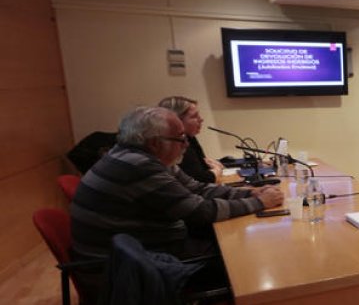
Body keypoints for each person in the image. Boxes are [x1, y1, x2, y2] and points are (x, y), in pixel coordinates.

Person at [71, 106, 282, 261]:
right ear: (155, 142)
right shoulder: (138, 166)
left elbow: (196, 188)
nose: (186, 144)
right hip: (123, 267)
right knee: (241, 258)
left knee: (235, 242)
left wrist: (251, 193)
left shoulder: (145, 156)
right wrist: (260, 203)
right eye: (180, 138)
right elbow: (200, 212)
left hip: (135, 250)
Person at [156, 96, 224, 183]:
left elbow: (204, 166)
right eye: (195, 116)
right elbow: (201, 179)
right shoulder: (175, 143)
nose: (201, 119)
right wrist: (217, 169)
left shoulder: (189, 138)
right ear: (176, 120)